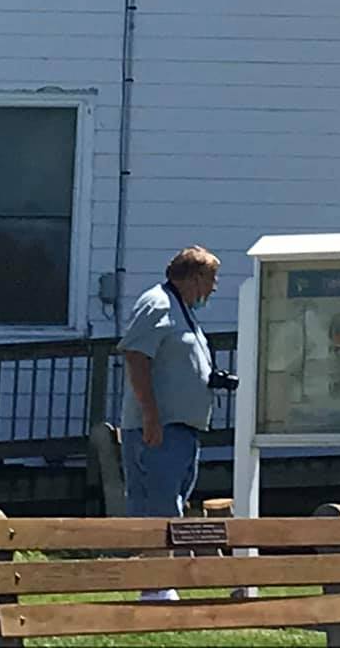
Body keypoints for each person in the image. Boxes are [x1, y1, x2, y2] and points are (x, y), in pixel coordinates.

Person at [118, 245, 236, 598]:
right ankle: (156, 586)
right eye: (212, 279)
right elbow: (137, 356)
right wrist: (150, 414)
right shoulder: (157, 303)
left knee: (174, 502)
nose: (214, 288)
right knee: (158, 503)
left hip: (183, 428)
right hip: (158, 427)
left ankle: (161, 580)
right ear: (195, 276)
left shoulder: (182, 310)